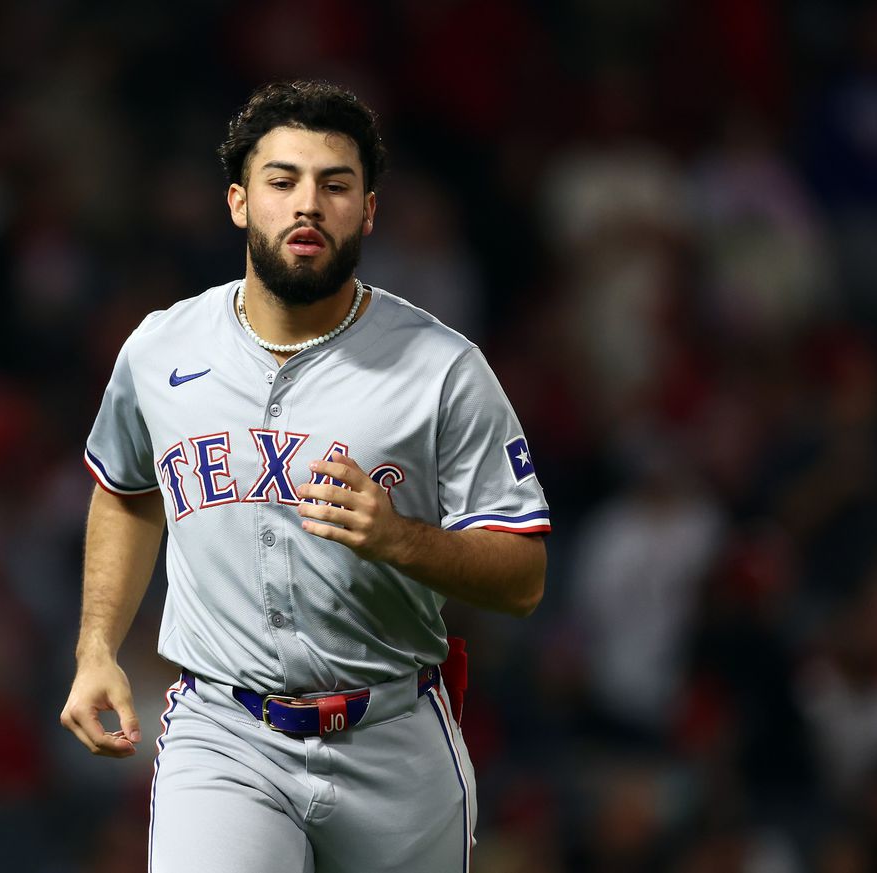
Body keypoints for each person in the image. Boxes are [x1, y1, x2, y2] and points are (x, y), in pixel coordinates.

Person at [59, 80, 550, 873]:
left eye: (335, 184)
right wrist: (96, 647)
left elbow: (523, 576)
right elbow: (126, 488)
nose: (307, 204)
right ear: (238, 203)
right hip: (225, 733)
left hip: (392, 736)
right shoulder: (160, 349)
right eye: (282, 181)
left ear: (369, 210)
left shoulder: (443, 368)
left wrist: (400, 539)